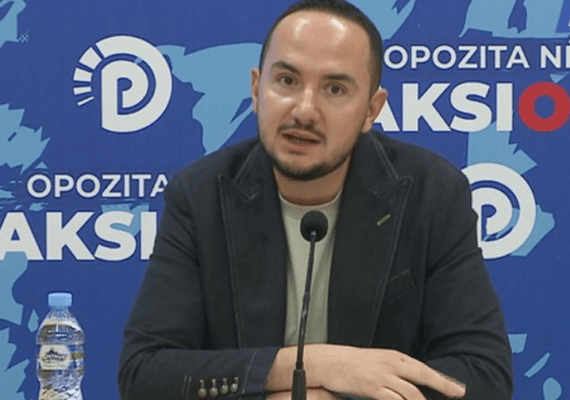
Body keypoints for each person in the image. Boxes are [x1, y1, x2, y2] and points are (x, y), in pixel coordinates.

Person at [118, 1, 513, 399]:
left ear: (371, 110)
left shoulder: (431, 195)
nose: (304, 111)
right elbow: (145, 373)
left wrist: (334, 397)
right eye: (287, 81)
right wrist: (312, 367)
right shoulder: (200, 197)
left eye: (334, 89)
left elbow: (483, 376)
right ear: (256, 89)